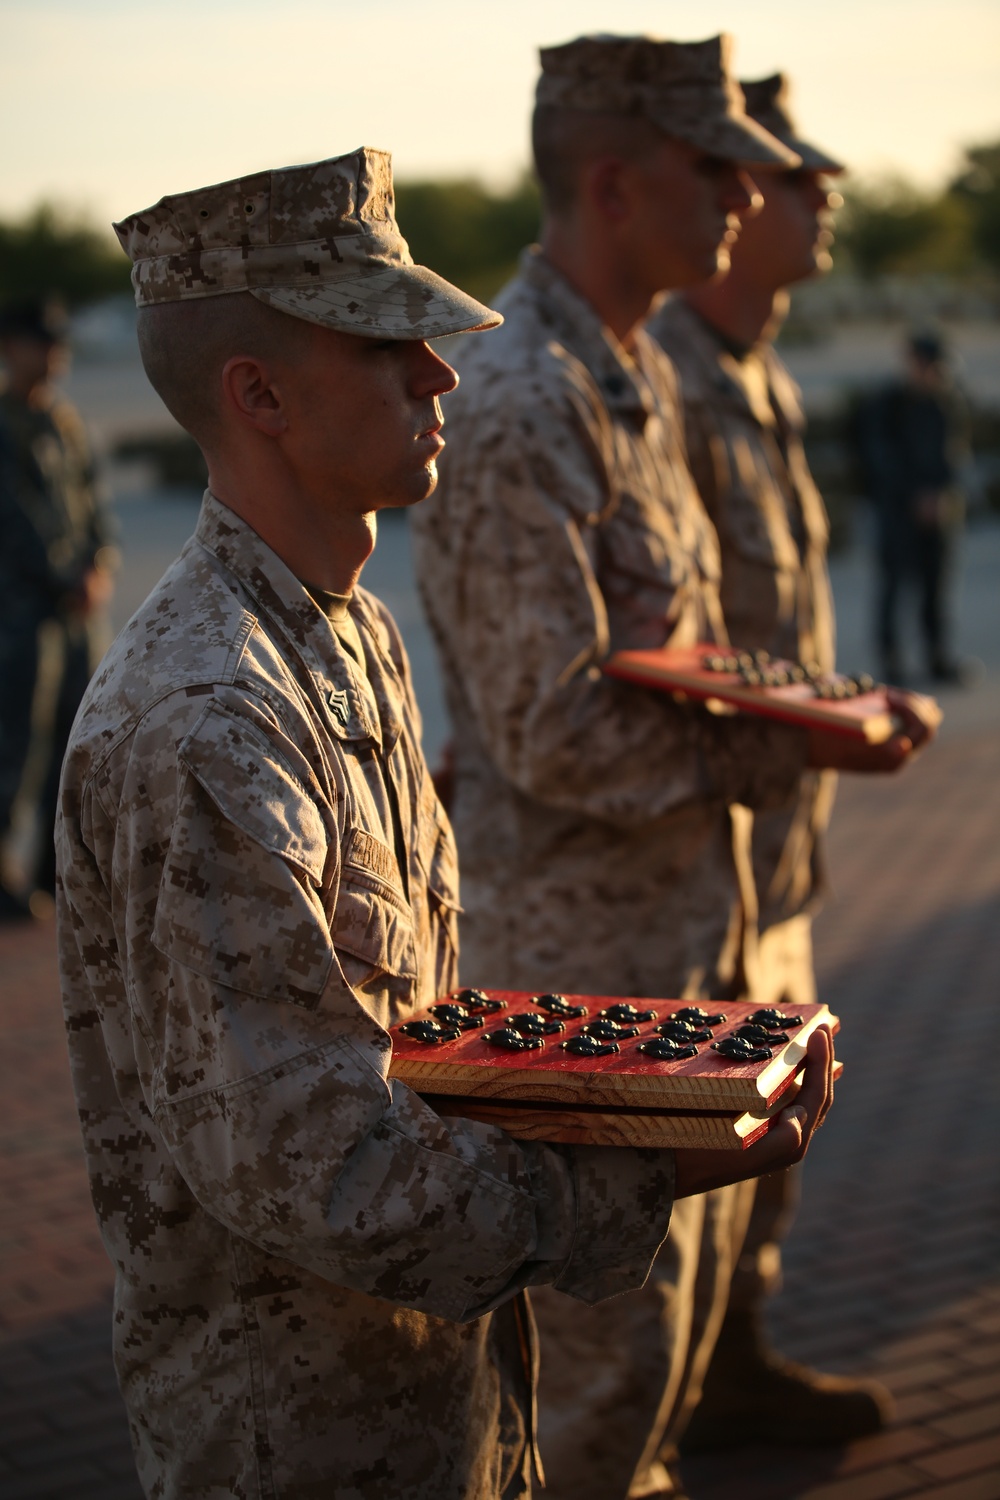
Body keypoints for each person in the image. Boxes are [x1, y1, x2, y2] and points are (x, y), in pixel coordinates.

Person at [55, 147, 834, 1500]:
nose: (442, 377)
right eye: (387, 346)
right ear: (260, 396)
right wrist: (648, 1169)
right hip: (302, 1436)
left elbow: (399, 1029)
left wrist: (658, 1083)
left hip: (431, 1391)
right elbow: (323, 1167)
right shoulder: (203, 721)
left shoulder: (345, 635)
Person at [411, 35, 931, 1500]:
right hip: (591, 956)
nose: (746, 190)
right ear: (616, 181)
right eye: (717, 165)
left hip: (673, 930)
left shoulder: (619, 369)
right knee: (595, 1385)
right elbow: (549, 728)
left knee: (662, 1353)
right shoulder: (526, 399)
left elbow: (667, 655)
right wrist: (794, 738)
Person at [648, 72, 892, 1452]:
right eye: (796, 177)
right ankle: (657, 1413)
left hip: (780, 837)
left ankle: (736, 1362)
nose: (819, 197)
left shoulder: (756, 372)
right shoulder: (667, 374)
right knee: (693, 1157)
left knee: (778, 1132)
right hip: (699, 844)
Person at [0, 297, 116, 920]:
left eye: (55, 344)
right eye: (34, 343)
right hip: (21, 614)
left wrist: (98, 562)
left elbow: (95, 505)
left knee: (75, 742)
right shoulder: (3, 424)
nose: (49, 356)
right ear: (7, 349)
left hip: (74, 613)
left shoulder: (65, 423)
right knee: (15, 743)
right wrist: (62, 574)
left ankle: (51, 874)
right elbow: (17, 519)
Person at [856, 330, 969, 684]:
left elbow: (954, 455)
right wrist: (912, 495)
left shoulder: (946, 403)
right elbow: (879, 458)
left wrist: (941, 493)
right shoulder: (888, 405)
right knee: (893, 588)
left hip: (937, 512)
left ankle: (937, 657)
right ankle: (891, 662)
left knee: (936, 588)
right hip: (897, 513)